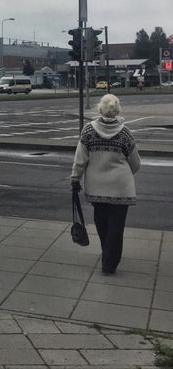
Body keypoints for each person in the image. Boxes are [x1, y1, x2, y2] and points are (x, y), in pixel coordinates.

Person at [70, 94, 141, 275]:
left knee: (102, 223)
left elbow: (80, 159)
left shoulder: (88, 131)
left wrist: (75, 178)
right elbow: (135, 163)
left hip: (97, 187)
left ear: (99, 109)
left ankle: (106, 253)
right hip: (121, 188)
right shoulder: (125, 133)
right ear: (117, 111)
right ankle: (109, 264)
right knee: (116, 229)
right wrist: (121, 175)